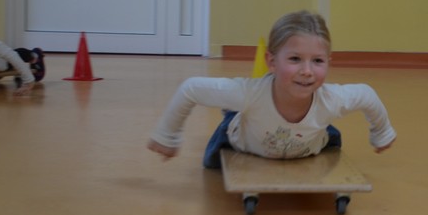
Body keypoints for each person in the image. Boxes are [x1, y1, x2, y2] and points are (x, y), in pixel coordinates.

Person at [148, 10, 396, 167]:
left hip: (309, 141)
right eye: (295, 59)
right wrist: (166, 136)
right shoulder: (248, 94)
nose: (307, 71)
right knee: (227, 130)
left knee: (327, 130)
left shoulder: (332, 99)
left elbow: (366, 94)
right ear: (271, 61)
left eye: (318, 61)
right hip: (243, 140)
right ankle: (232, 113)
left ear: (329, 62)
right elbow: (191, 89)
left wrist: (382, 133)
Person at [0, 12, 45, 97]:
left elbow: (11, 55)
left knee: (19, 54)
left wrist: (29, 81)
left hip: (2, 63)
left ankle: (35, 55)